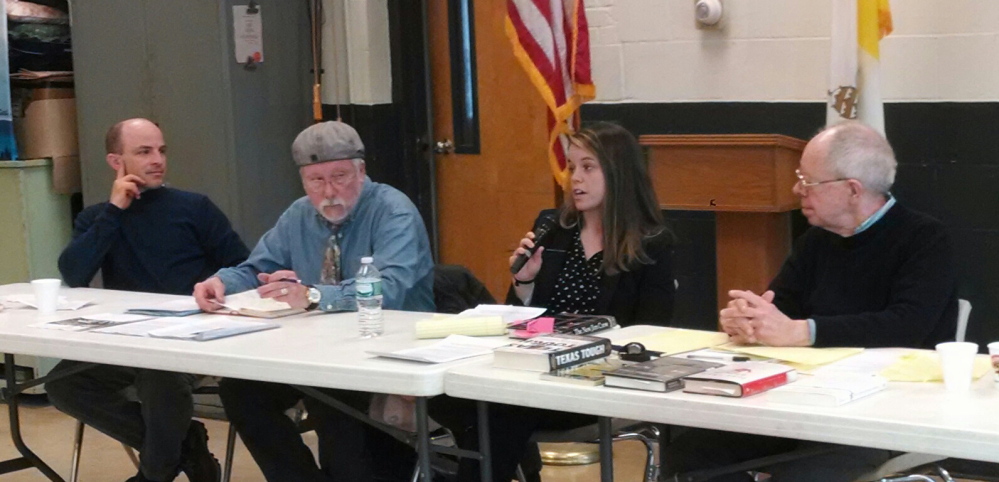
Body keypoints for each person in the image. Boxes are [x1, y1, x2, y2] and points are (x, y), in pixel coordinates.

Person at [663, 122, 958, 482]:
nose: (796, 189)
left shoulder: (925, 239)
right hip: (806, 400)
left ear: (852, 190)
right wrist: (749, 319)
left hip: (882, 413)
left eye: (808, 181)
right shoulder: (817, 240)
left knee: (805, 473)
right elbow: (780, 305)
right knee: (689, 450)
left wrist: (802, 332)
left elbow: (907, 325)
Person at [431, 121, 675, 482]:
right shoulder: (553, 226)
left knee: (497, 409)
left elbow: (653, 334)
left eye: (588, 167)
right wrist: (524, 281)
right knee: (447, 394)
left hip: (598, 378)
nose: (576, 178)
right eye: (572, 167)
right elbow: (521, 319)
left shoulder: (651, 243)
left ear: (618, 173)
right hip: (535, 369)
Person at [193, 120, 434, 482]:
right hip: (317, 350)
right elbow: (257, 267)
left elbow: (391, 287)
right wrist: (219, 282)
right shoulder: (298, 214)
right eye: (315, 181)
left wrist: (314, 295)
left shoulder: (392, 211)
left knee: (331, 394)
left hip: (385, 350)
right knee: (242, 391)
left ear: (361, 171)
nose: (328, 192)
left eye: (339, 177)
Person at [48, 118, 250, 482]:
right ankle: (184, 444)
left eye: (161, 150)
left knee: (160, 373)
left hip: (193, 335)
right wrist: (114, 211)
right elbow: (73, 273)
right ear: (116, 162)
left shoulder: (195, 208)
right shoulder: (99, 217)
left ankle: (154, 474)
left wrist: (215, 287)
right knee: (64, 383)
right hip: (127, 337)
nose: (157, 159)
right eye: (143, 152)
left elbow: (243, 267)